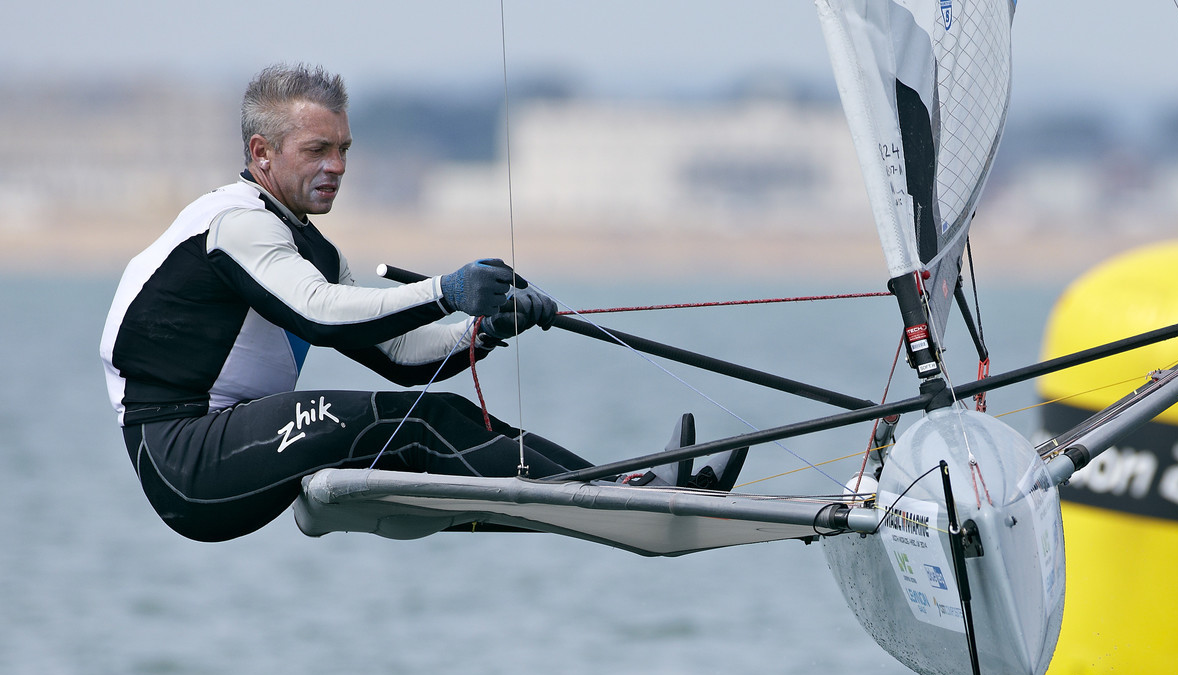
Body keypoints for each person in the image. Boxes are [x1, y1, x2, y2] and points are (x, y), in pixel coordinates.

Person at [101, 63, 739, 543]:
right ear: (261, 153)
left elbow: (402, 357)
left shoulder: (310, 249)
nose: (336, 166)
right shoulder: (236, 225)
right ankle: (625, 503)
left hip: (229, 442)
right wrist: (445, 290)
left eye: (344, 148)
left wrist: (487, 328)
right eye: (317, 150)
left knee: (444, 415)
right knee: (420, 421)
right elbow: (319, 315)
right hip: (181, 458)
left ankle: (627, 491)